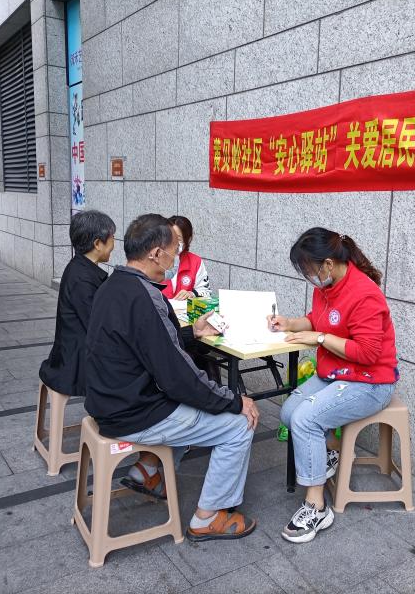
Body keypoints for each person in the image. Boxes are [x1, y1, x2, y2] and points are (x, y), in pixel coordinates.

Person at [84, 213, 259, 542]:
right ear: (155, 253)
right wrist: (236, 401)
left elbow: (153, 345)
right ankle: (209, 517)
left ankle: (149, 472)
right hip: (134, 412)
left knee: (193, 402)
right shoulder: (145, 297)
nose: (176, 257)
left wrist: (193, 332)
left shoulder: (113, 285)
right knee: (238, 424)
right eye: (174, 250)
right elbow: (178, 377)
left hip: (107, 401)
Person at [268, 227, 398, 544]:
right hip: (336, 373)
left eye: (309, 270)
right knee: (289, 413)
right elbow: (317, 319)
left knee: (305, 419)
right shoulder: (327, 287)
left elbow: (368, 353)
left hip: (370, 382)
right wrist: (290, 323)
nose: (309, 277)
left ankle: (317, 507)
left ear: (327, 263)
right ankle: (331, 452)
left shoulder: (365, 294)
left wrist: (321, 338)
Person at [39, 210, 115, 398]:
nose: (114, 244)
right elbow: (97, 326)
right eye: (112, 238)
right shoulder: (82, 279)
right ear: (97, 244)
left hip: (72, 352)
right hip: (75, 363)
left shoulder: (80, 268)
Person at [161, 215, 211, 300]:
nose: (172, 242)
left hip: (185, 308)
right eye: (169, 237)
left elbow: (206, 292)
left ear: (188, 239)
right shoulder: (154, 258)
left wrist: (192, 294)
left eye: (178, 238)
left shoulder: (195, 262)